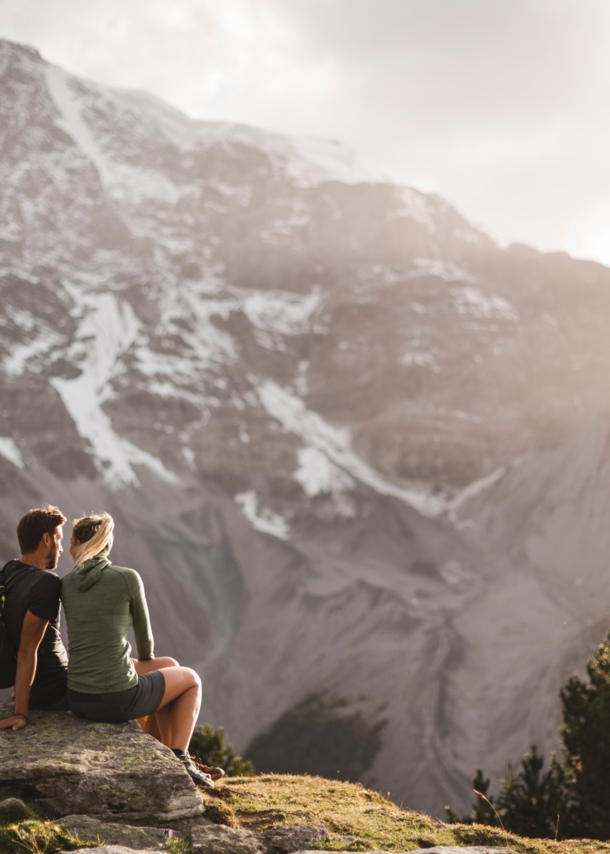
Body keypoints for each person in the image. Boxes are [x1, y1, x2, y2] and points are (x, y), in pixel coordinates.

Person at [60, 512, 218, 787]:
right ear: (106, 545)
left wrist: (125, 661)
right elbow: (146, 645)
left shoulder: (66, 584)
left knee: (169, 664)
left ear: (76, 545)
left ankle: (161, 752)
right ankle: (179, 758)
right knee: (191, 680)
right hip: (115, 699)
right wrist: (134, 661)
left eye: (72, 542)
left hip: (78, 697)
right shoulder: (126, 578)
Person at [0, 505, 69, 731]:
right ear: (46, 539)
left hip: (32, 688)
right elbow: (27, 649)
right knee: (160, 671)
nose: (61, 548)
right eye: (59, 539)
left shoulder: (9, 571)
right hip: (57, 691)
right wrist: (21, 713)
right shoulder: (47, 583)